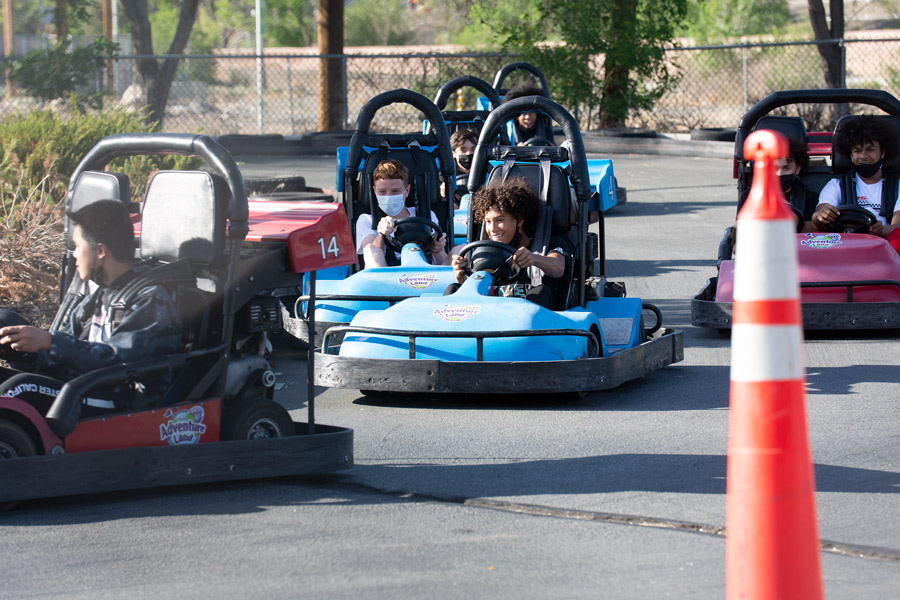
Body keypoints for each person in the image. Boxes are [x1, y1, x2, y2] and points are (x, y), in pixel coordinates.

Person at [0, 200, 183, 421]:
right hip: (85, 388)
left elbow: (116, 360)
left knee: (19, 389)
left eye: (78, 246)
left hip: (124, 402)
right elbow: (63, 360)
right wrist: (20, 352)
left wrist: (51, 341)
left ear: (100, 251)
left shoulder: (150, 300)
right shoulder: (97, 297)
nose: (74, 254)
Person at [444, 178, 569, 309]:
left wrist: (533, 259)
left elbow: (558, 267)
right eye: (488, 221)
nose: (492, 229)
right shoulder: (482, 252)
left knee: (539, 293)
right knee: (453, 289)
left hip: (527, 318)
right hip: (489, 315)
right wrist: (461, 276)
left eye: (499, 220)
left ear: (519, 220)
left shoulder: (544, 246)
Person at [812, 115, 900, 243]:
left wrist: (881, 230)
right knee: (817, 237)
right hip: (845, 243)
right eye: (857, 151)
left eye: (870, 150)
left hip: (883, 246)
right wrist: (820, 216)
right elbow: (820, 215)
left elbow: (897, 227)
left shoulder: (897, 186)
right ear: (851, 155)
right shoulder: (836, 185)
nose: (863, 156)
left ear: (882, 153)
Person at [356, 158, 447, 268]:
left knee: (459, 249)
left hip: (424, 273)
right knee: (370, 250)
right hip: (389, 275)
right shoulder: (367, 220)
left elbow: (441, 261)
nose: (388, 197)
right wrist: (382, 235)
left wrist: (438, 247)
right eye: (382, 192)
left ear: (407, 191)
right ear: (375, 192)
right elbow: (372, 256)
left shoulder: (426, 215)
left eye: (395, 191)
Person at [737, 140, 818, 233]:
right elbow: (739, 231)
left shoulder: (809, 198)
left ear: (797, 169)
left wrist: (794, 220)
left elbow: (811, 234)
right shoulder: (749, 197)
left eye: (786, 168)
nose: (779, 173)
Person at [441, 128, 478, 208]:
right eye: (463, 150)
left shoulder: (487, 173)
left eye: (473, 149)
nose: (469, 153)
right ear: (453, 153)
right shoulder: (444, 175)